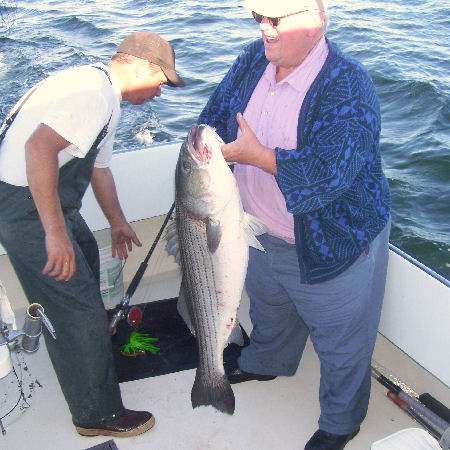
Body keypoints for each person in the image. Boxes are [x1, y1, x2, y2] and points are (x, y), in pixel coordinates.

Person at [198, 1, 391, 449]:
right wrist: (203, 142)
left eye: (275, 20)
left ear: (315, 20)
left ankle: (342, 422)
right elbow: (217, 111)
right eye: (258, 19)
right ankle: (269, 361)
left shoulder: (349, 84)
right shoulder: (254, 59)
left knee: (341, 345)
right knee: (270, 306)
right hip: (257, 230)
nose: (264, 30)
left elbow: (329, 176)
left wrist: (257, 156)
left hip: (332, 243)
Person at [0, 31, 185, 437]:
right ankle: (96, 414)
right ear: (143, 66)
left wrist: (118, 221)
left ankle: (86, 349)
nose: (161, 93)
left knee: (85, 251)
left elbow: (98, 168)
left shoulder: (105, 94)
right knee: (77, 305)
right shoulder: (92, 93)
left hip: (48, 201)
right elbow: (38, 150)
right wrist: (53, 233)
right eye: (162, 82)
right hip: (24, 209)